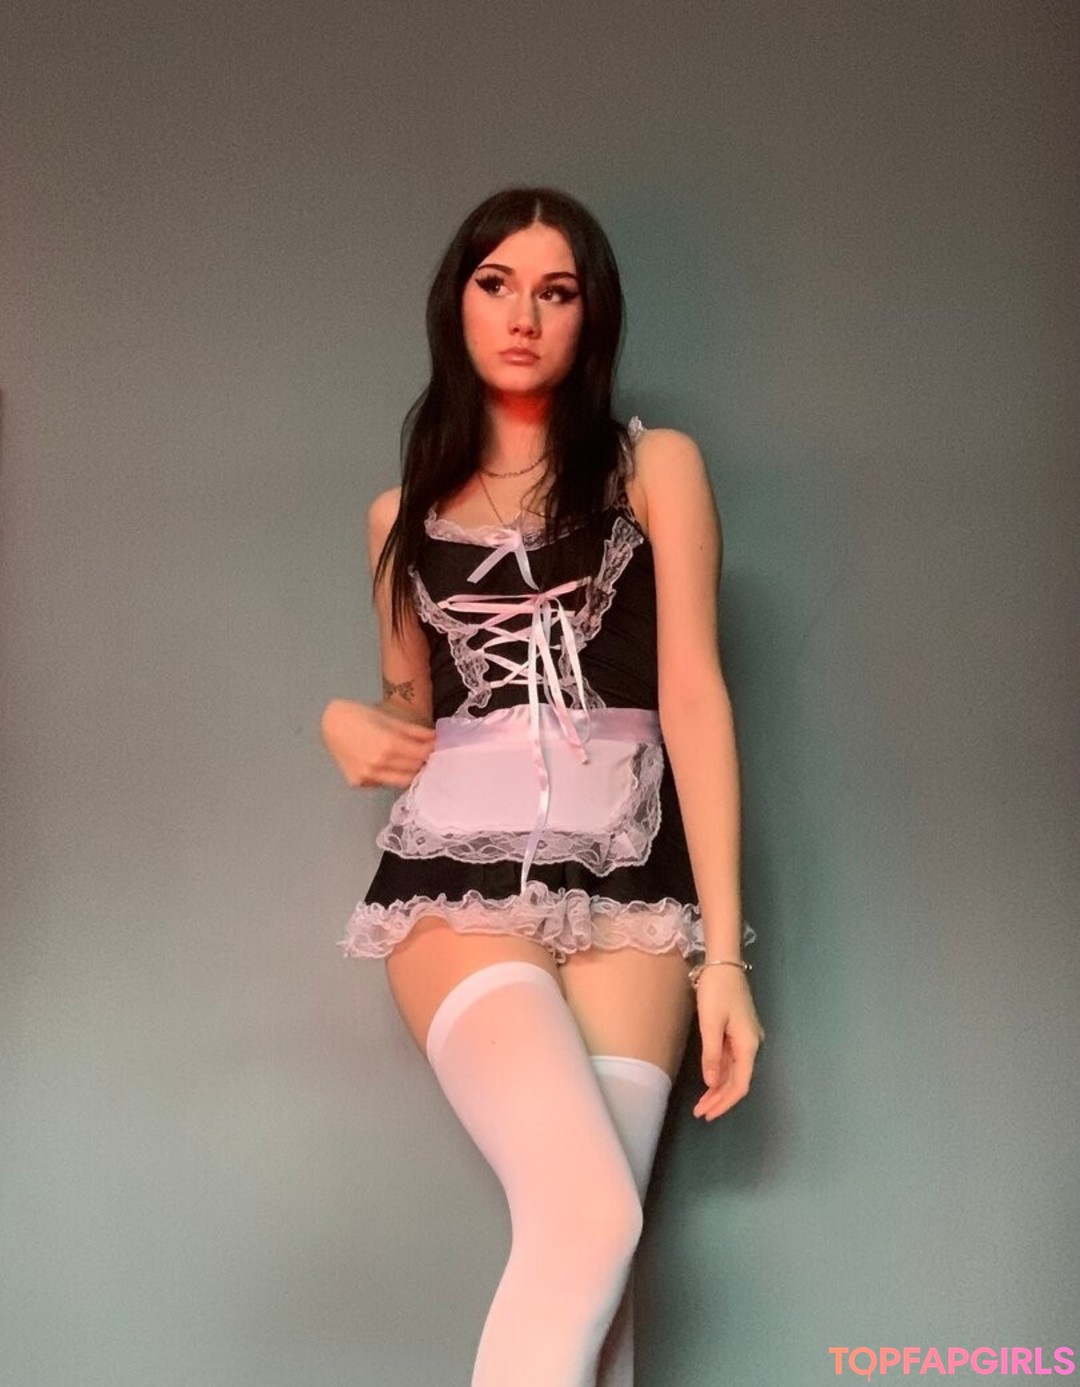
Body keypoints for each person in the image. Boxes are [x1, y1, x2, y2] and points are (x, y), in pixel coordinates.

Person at [320, 185, 764, 1387]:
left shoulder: (653, 467)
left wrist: (723, 959)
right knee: (586, 1220)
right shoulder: (399, 517)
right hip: (455, 880)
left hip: (631, 876)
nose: (523, 316)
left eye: (555, 291)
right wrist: (346, 722)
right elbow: (412, 710)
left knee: (598, 1279)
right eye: (496, 284)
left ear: (591, 315)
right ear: (456, 303)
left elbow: (696, 699)